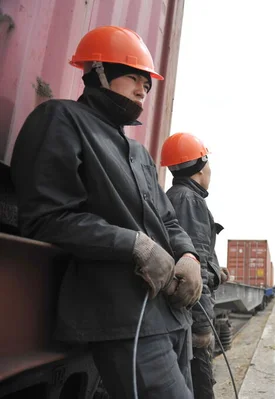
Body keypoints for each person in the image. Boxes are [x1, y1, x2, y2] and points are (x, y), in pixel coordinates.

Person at [10, 26, 204, 399]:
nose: (141, 92)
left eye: (147, 87)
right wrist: (134, 245)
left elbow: (167, 219)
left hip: (170, 314)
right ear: (98, 71)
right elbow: (46, 218)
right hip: (123, 317)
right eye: (133, 78)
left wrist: (189, 254)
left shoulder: (138, 154)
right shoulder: (60, 120)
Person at [160, 132, 229, 399]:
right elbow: (193, 269)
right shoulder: (191, 200)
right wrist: (202, 328)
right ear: (200, 168)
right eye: (207, 162)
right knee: (200, 386)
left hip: (181, 313)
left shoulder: (175, 195)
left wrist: (218, 273)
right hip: (191, 315)